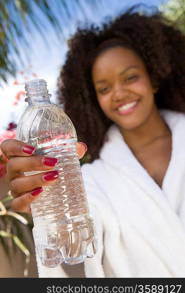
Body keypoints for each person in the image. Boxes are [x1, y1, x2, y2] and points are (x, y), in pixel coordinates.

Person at [1, 5, 185, 277]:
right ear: (93, 99)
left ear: (154, 77)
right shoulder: (92, 181)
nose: (119, 93)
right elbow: (76, 259)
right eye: (104, 88)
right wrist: (43, 210)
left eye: (131, 77)